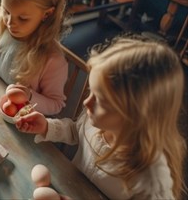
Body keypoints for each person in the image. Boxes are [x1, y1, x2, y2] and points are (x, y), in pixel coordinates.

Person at [15, 36, 187, 199]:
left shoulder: (149, 177)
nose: (86, 103)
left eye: (101, 101)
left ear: (135, 115)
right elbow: (76, 131)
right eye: (91, 92)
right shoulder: (94, 121)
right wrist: (46, 126)